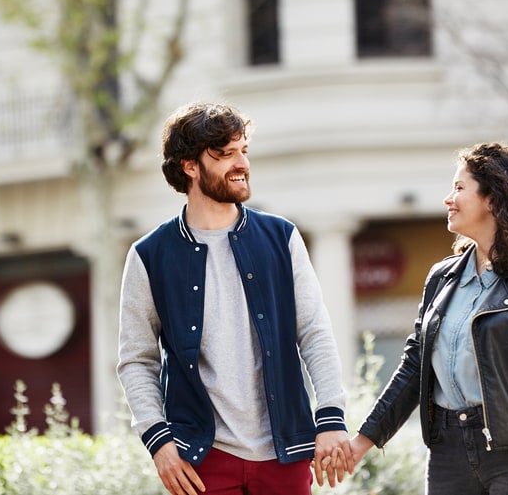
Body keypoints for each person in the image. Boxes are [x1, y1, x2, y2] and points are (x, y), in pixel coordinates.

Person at [117, 101, 354, 495]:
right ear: (189, 166)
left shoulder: (281, 238)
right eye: (224, 154)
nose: (240, 163)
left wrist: (331, 417)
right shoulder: (149, 255)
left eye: (243, 150)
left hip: (286, 452)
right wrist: (158, 442)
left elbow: (314, 332)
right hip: (201, 459)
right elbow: (136, 358)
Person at [349, 142, 508, 495]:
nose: (448, 198)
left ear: (493, 199)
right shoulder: (442, 277)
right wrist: (361, 444)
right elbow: (414, 368)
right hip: (448, 451)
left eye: (459, 188)